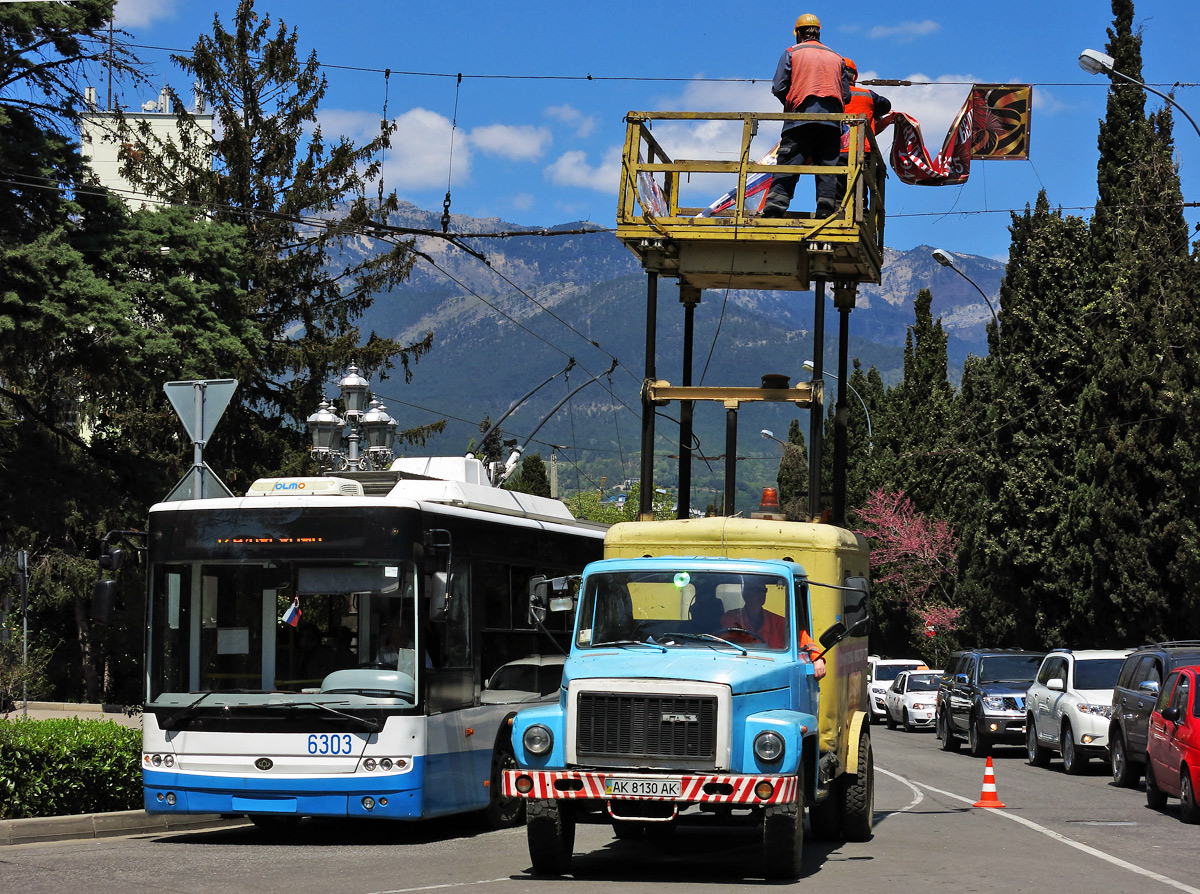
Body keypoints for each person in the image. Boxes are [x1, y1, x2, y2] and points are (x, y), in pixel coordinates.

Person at [761, 13, 851, 218]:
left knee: (788, 164)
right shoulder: (837, 57)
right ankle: (825, 214)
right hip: (831, 123)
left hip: (799, 120)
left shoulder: (792, 52)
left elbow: (778, 87)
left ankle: (774, 212)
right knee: (828, 170)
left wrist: (792, 102)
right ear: (818, 33)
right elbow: (845, 95)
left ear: (798, 33)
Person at [720, 580, 827, 679]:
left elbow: (805, 641)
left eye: (761, 590)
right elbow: (720, 647)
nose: (756, 595)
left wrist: (818, 659)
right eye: (752, 590)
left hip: (774, 674)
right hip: (737, 672)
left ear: (765, 595)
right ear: (744, 593)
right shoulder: (730, 618)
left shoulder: (779, 622)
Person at [836, 58, 892, 205]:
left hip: (835, 150)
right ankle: (862, 213)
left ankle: (835, 212)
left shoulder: (830, 95)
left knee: (836, 188)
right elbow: (886, 105)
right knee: (860, 187)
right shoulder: (868, 95)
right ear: (854, 77)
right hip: (862, 150)